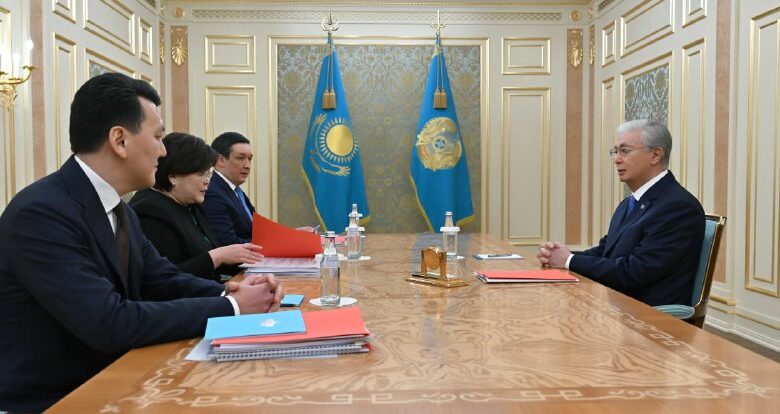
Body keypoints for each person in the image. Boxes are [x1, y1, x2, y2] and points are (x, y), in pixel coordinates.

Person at [0, 73, 283, 412]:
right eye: (158, 137)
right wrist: (233, 308)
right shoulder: (42, 213)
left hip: (121, 378)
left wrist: (230, 292)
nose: (163, 151)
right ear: (120, 140)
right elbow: (109, 322)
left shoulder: (119, 208)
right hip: (58, 399)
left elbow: (161, 278)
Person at [537, 119, 704, 306]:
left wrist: (569, 260)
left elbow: (635, 272)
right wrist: (560, 256)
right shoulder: (630, 203)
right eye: (615, 151)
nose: (617, 159)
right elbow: (605, 251)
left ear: (655, 155)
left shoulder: (677, 207)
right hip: (618, 305)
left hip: (647, 316)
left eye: (625, 151)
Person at [130, 133, 264, 281]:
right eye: (201, 174)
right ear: (173, 176)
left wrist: (261, 266)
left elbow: (217, 259)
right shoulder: (150, 211)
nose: (207, 181)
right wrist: (218, 256)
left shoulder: (192, 204)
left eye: (208, 174)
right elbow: (166, 279)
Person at [203, 132, 255, 246]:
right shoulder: (212, 193)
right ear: (220, 160)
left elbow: (255, 230)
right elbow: (227, 242)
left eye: (250, 159)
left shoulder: (236, 191)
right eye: (240, 158)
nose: (248, 165)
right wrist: (270, 244)